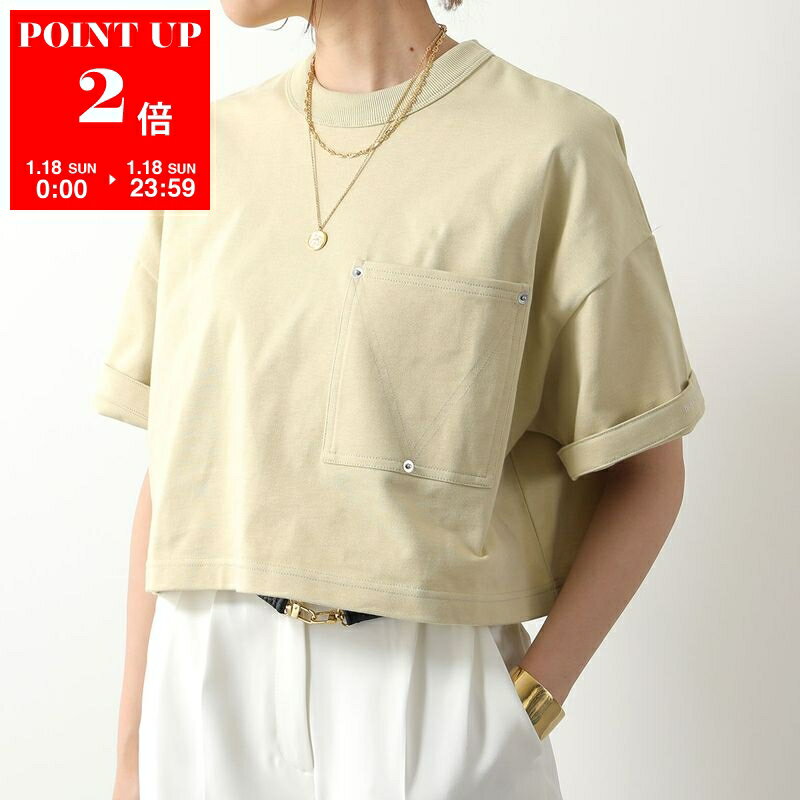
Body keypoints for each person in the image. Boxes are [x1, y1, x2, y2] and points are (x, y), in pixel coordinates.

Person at [100, 1, 705, 798]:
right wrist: (133, 750)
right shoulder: (206, 145)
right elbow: (176, 468)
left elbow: (645, 468)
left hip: (424, 687)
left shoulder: (553, 144)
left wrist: (528, 702)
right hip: (205, 675)